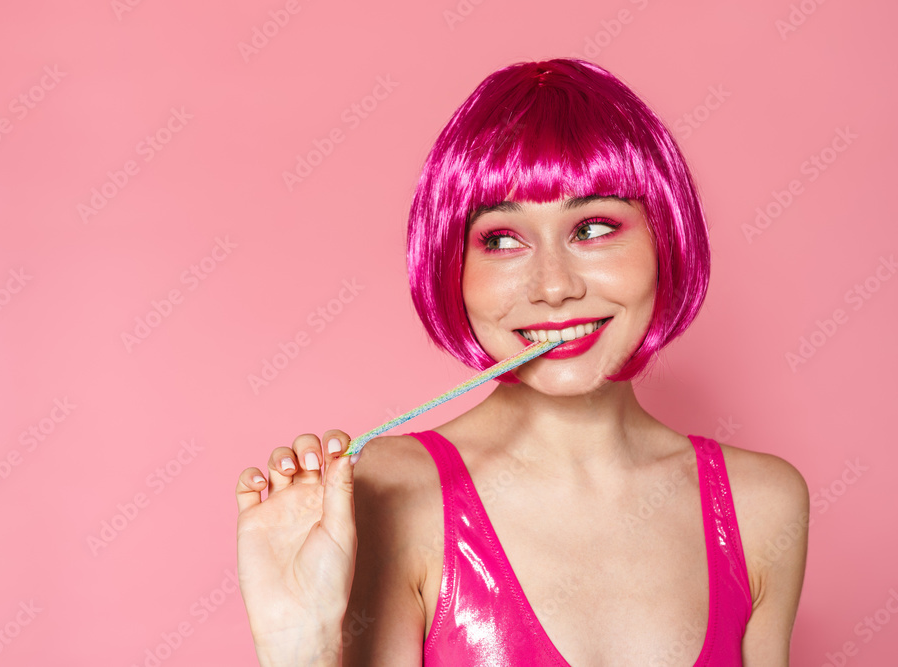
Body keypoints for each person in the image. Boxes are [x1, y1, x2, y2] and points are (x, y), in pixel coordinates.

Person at [235, 58, 809, 666]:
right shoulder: (390, 490)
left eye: (592, 227)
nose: (553, 287)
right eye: (502, 239)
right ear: (453, 266)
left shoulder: (760, 505)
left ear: (664, 237)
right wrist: (299, 644)